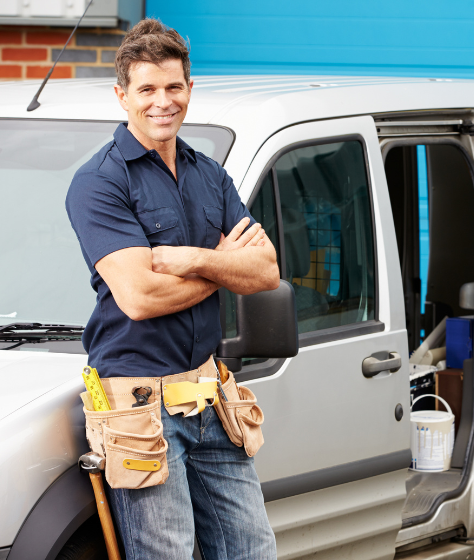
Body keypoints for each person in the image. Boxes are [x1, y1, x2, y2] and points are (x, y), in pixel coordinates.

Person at [66, 18, 278, 560]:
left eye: (173, 87)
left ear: (189, 89)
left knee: (253, 551)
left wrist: (192, 260)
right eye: (147, 89)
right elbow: (139, 298)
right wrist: (223, 267)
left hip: (211, 398)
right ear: (122, 95)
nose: (162, 101)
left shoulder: (210, 174)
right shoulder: (100, 182)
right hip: (138, 409)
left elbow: (266, 272)